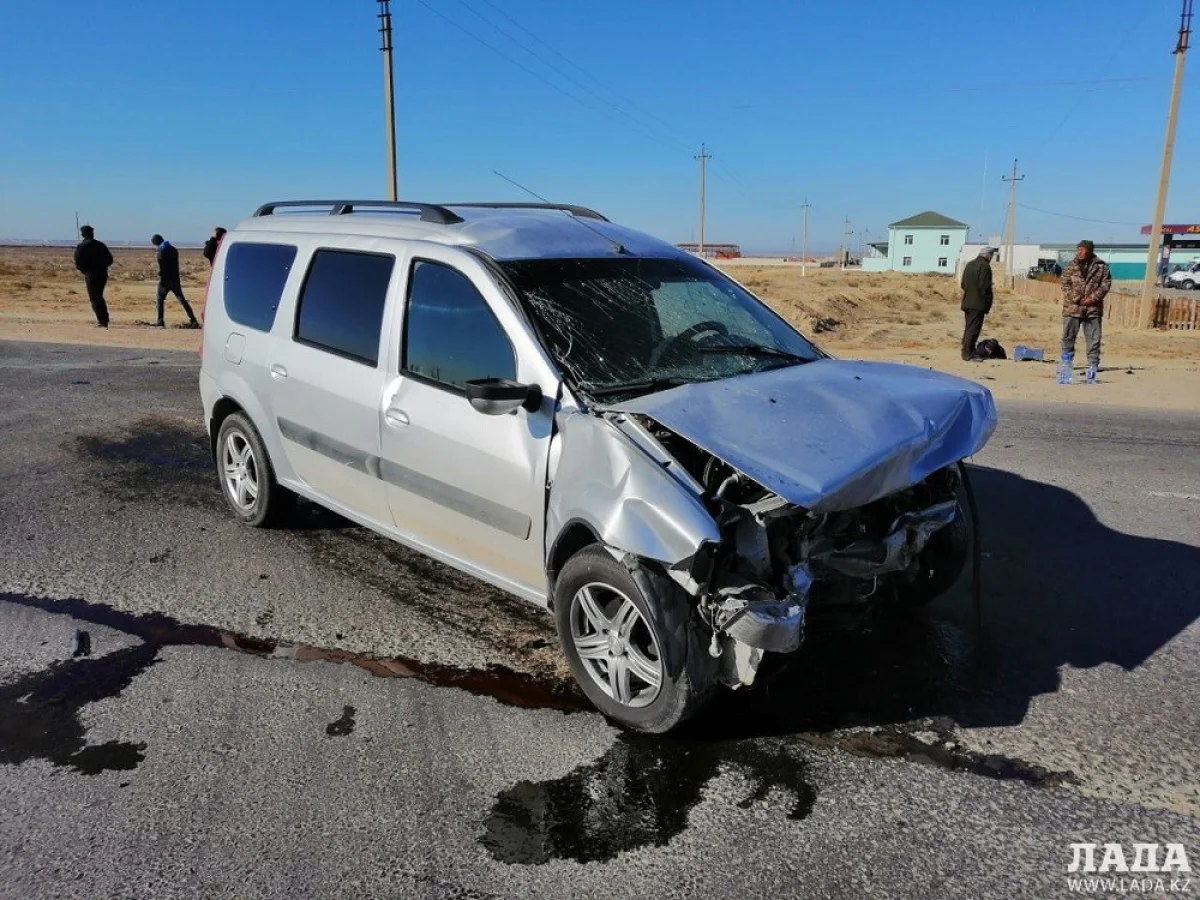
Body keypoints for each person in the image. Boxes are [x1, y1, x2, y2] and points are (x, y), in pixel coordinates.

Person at [1060, 239, 1111, 383]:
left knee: (1094, 340)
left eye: (1082, 249)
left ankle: (1092, 368)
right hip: (1072, 309)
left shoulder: (1101, 267)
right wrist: (1077, 298)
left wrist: (1092, 299)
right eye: (1078, 249)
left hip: (1092, 310)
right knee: (1068, 338)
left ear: (1089, 250)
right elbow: (1065, 284)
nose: (1079, 252)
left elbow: (1106, 284)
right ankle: (1066, 367)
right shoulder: (1071, 265)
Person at [150, 234, 199, 328]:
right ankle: (193, 319)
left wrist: (161, 277)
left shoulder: (161, 252)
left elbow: (163, 267)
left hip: (165, 280)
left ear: (155, 243)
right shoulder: (173, 249)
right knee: (182, 300)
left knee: (160, 300)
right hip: (175, 279)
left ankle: (160, 321)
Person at [959, 246, 996, 361]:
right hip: (978, 303)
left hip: (967, 302)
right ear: (989, 256)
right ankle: (968, 353)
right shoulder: (985, 267)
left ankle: (966, 351)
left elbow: (963, 284)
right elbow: (985, 287)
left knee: (969, 327)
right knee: (974, 329)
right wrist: (987, 302)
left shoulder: (970, 264)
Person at [73, 225, 114, 328]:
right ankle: (104, 318)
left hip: (91, 274)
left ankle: (102, 320)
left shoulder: (82, 246)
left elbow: (78, 262)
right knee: (99, 296)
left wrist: (85, 270)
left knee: (95, 298)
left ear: (83, 234)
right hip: (102, 274)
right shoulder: (100, 245)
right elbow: (110, 259)